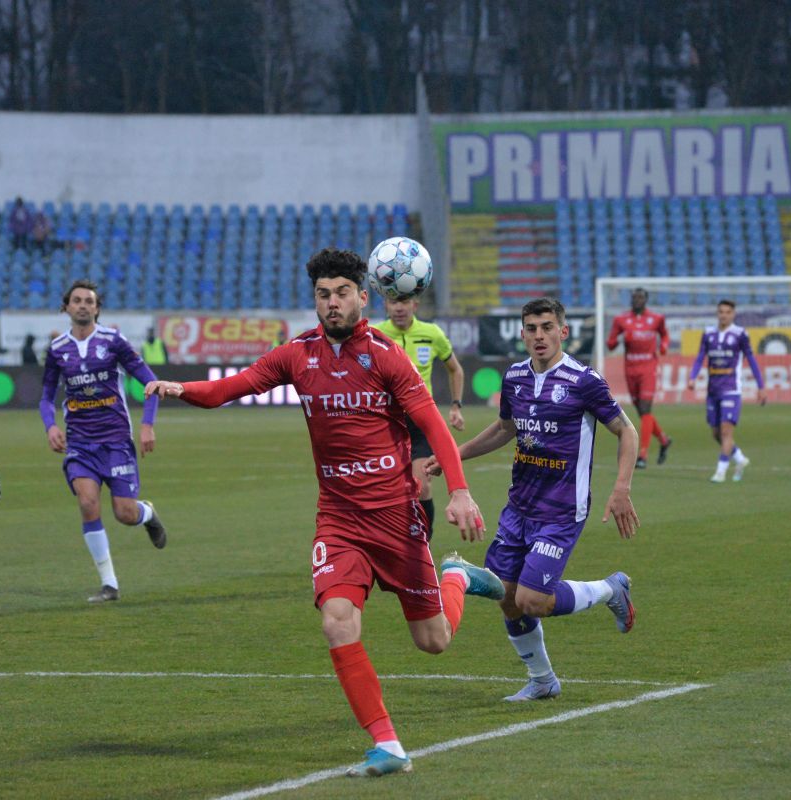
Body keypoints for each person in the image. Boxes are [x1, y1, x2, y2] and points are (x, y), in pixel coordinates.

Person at [145, 248, 493, 778]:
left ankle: (457, 577)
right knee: (337, 622)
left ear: (363, 295)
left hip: (396, 517)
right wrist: (180, 388)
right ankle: (388, 744)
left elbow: (435, 427)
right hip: (339, 519)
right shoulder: (295, 355)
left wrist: (460, 492)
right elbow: (227, 390)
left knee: (434, 641)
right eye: (323, 295)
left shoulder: (386, 356)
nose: (331, 304)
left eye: (342, 293)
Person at [425, 297, 639, 702]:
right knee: (507, 598)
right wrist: (454, 456)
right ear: (521, 333)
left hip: (560, 510)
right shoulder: (515, 377)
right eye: (531, 328)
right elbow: (505, 428)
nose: (538, 336)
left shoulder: (584, 381)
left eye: (546, 327)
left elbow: (626, 431)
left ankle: (611, 590)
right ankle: (542, 680)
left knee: (532, 599)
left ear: (563, 331)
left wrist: (621, 488)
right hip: (519, 507)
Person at [40, 280, 168, 603]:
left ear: (97, 308)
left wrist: (147, 425)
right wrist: (50, 426)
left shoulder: (113, 342)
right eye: (77, 300)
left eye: (89, 301)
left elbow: (150, 383)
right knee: (87, 502)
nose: (83, 305)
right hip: (81, 444)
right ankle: (109, 584)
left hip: (115, 441)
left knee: (124, 513)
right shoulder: (57, 350)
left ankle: (147, 513)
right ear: (67, 307)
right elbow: (45, 398)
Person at [373, 293, 465, 539]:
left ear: (415, 304)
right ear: (386, 305)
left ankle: (423, 541)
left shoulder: (432, 333)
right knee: (386, 488)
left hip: (421, 419)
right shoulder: (374, 335)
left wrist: (456, 405)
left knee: (421, 485)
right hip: (387, 420)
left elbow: (455, 370)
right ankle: (389, 541)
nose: (399, 308)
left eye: (404, 302)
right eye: (394, 302)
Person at [687, 299, 765, 483]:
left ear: (733, 314)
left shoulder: (740, 334)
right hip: (712, 390)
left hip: (731, 389)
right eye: (721, 311)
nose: (724, 315)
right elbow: (700, 357)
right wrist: (693, 376)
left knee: (726, 432)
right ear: (717, 313)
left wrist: (761, 386)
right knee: (715, 433)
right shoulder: (708, 334)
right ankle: (739, 458)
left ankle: (720, 471)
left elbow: (752, 360)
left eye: (727, 312)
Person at [606, 287, 671, 468]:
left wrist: (664, 346)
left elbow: (665, 335)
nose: (637, 300)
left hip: (648, 367)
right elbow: (610, 344)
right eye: (634, 297)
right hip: (630, 368)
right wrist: (616, 340)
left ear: (646, 300)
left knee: (645, 408)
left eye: (640, 297)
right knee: (642, 412)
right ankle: (664, 440)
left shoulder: (657, 319)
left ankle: (642, 455)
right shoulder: (621, 320)